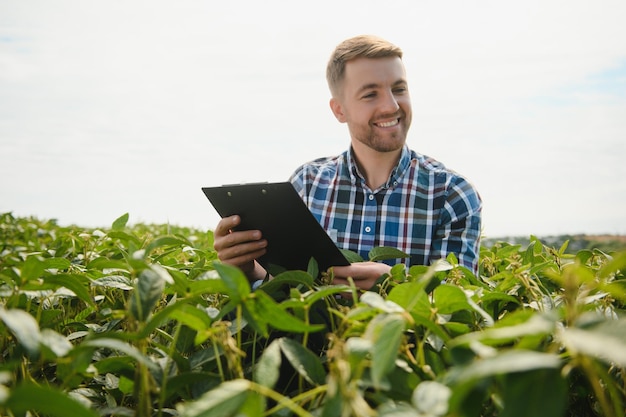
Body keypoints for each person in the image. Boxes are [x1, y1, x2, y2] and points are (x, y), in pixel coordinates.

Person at [213, 34, 482, 290]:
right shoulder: (307, 184)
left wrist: (399, 285)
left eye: (399, 89)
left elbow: (461, 304)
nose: (391, 106)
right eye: (370, 94)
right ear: (339, 110)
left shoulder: (452, 194)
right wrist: (248, 269)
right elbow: (286, 288)